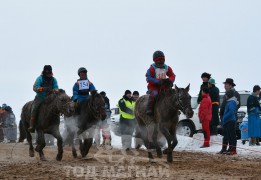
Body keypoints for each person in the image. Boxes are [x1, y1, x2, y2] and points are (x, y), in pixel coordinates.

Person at [28, 65, 59, 132]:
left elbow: (56, 87)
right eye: (47, 71)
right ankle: (32, 125)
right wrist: (42, 89)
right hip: (40, 98)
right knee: (34, 109)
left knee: (58, 106)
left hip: (51, 98)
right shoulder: (40, 78)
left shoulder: (54, 79)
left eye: (50, 71)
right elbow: (35, 87)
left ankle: (56, 124)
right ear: (44, 71)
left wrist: (56, 90)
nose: (49, 73)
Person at [145, 50, 176, 115]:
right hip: (154, 86)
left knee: (173, 93)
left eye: (162, 60)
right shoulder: (152, 68)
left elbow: (172, 75)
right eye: (159, 60)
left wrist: (170, 80)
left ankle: (175, 109)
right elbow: (149, 78)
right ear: (155, 61)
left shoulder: (167, 67)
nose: (161, 61)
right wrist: (158, 81)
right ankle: (149, 109)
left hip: (164, 86)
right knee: (154, 94)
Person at [217, 90, 238, 155]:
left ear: (228, 95)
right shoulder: (229, 101)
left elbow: (231, 112)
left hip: (230, 121)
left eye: (226, 94)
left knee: (232, 136)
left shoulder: (232, 102)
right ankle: (228, 149)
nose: (225, 96)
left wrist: (225, 117)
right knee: (228, 135)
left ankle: (233, 150)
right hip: (228, 121)